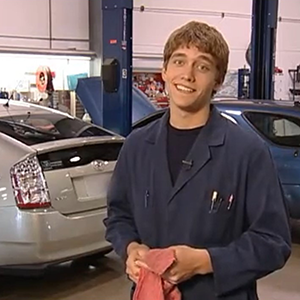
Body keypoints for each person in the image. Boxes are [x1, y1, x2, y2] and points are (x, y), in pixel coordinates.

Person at [104, 20, 291, 300]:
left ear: (217, 80)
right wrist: (130, 249)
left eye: (202, 66)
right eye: (179, 61)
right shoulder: (137, 145)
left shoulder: (247, 152)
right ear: (164, 72)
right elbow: (119, 215)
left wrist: (205, 261)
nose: (187, 75)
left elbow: (273, 242)